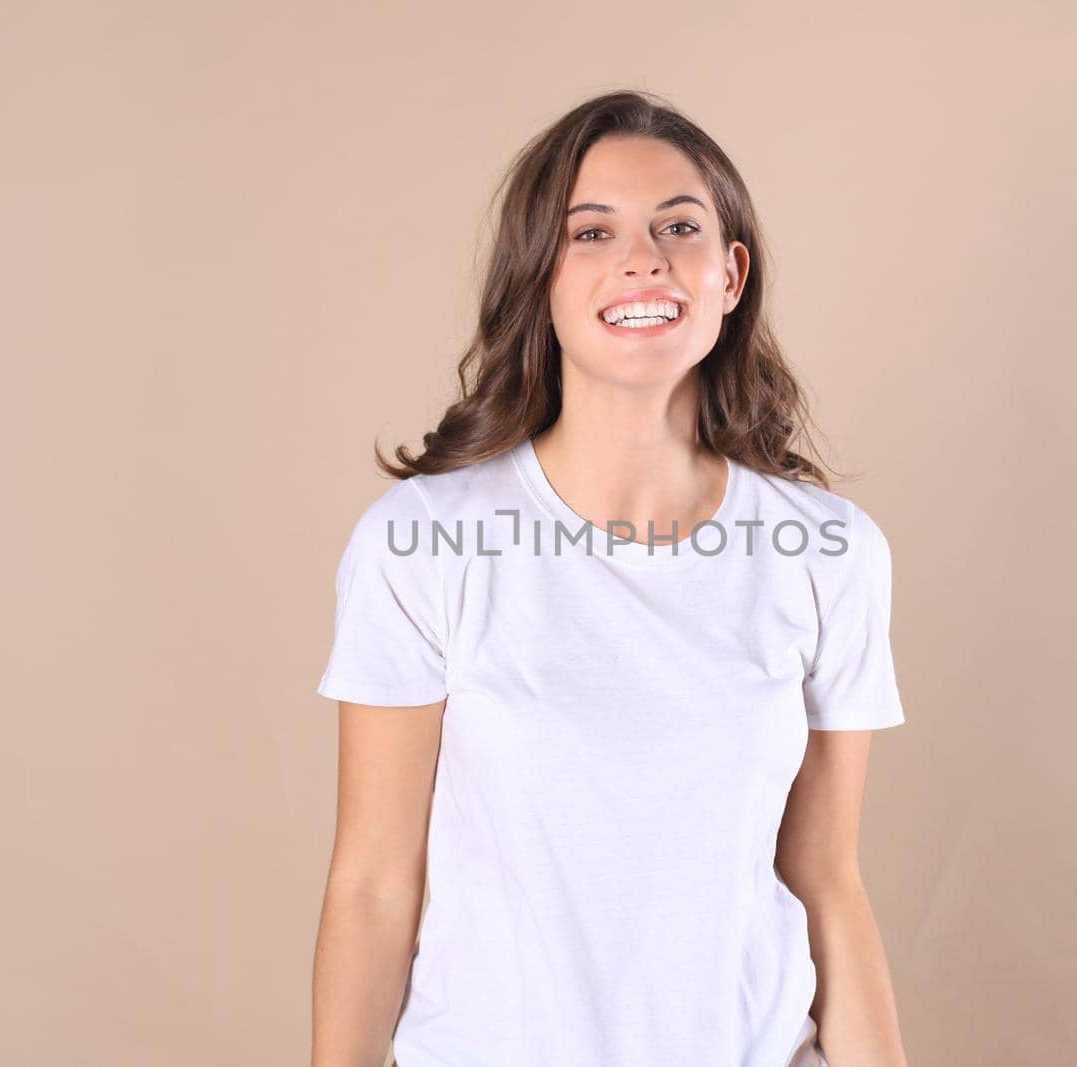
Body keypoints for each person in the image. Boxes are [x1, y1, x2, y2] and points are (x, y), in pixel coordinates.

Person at [311, 90, 910, 1067]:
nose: (643, 257)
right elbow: (375, 882)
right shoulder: (423, 541)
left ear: (729, 274)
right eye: (590, 232)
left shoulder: (830, 552)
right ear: (538, 279)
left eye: (679, 226)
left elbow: (826, 876)